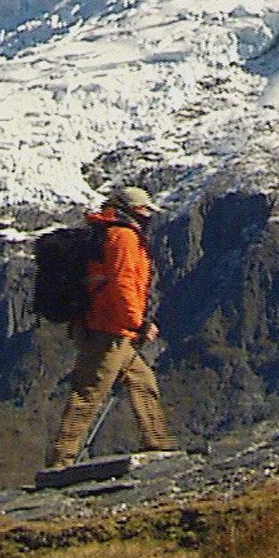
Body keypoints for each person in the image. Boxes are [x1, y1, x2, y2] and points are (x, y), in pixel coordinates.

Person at [46, 186, 176, 467]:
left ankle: (158, 443)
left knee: (142, 381)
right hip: (109, 330)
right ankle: (60, 461)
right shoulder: (124, 237)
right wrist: (138, 323)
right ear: (130, 210)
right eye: (143, 210)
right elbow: (123, 284)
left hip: (108, 327)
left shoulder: (107, 232)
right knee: (89, 392)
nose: (147, 216)